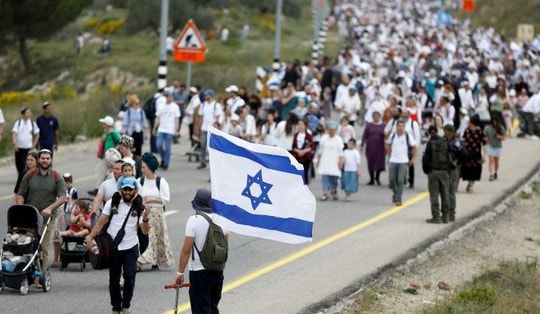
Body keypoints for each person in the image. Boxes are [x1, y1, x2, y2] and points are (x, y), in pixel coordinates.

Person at [86, 177, 150, 314]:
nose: (127, 192)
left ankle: (126, 305)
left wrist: (145, 219)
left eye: (130, 189)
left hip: (131, 246)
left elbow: (144, 231)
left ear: (135, 191)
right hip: (113, 246)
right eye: (125, 189)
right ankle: (116, 307)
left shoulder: (139, 207)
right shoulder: (112, 203)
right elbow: (100, 223)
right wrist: (90, 237)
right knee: (114, 278)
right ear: (120, 190)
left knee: (130, 275)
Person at [175, 188, 228, 314]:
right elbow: (224, 244)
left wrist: (180, 273)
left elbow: (186, 250)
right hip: (217, 270)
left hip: (199, 272)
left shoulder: (194, 220)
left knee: (201, 309)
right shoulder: (222, 219)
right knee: (213, 307)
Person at [16, 149, 66, 277]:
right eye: (42, 158)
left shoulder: (56, 176)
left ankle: (41, 275)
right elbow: (21, 193)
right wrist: (20, 208)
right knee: (27, 245)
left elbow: (62, 198)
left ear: (51, 160)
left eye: (47, 158)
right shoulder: (30, 174)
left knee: (44, 246)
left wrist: (50, 208)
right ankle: (26, 271)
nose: (45, 160)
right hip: (30, 216)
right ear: (38, 160)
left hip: (48, 218)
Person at [137, 152, 174, 271]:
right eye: (141, 167)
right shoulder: (140, 181)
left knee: (156, 238)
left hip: (157, 215)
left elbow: (165, 199)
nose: (142, 170)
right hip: (144, 213)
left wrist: (151, 199)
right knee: (149, 237)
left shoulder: (161, 182)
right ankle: (142, 260)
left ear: (150, 167)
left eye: (144, 167)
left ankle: (149, 261)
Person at [422, 125, 451, 223]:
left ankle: (436, 217)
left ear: (429, 133)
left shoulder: (430, 143)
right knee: (445, 194)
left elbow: (426, 159)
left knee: (434, 195)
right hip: (444, 172)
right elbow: (450, 156)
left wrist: (427, 171)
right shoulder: (445, 142)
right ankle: (446, 217)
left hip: (433, 172)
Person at [386, 120, 417, 206]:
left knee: (400, 180)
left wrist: (413, 159)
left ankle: (399, 199)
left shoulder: (408, 136)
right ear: (396, 127)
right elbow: (388, 145)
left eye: (402, 126)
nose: (401, 128)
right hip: (393, 160)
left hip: (403, 161)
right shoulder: (392, 135)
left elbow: (414, 147)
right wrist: (389, 155)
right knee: (391, 180)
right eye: (399, 126)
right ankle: (396, 193)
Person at [52, 172, 79, 267]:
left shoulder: (73, 191)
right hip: (59, 215)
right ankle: (56, 258)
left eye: (69, 182)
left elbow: (75, 203)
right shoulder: (58, 191)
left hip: (68, 214)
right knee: (56, 237)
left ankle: (63, 256)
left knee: (65, 237)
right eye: (65, 182)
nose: (67, 184)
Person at [89, 116, 121, 196]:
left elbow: (119, 142)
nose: (102, 124)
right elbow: (102, 141)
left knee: (111, 172)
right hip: (105, 156)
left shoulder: (114, 133)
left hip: (111, 157)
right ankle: (97, 189)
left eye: (104, 123)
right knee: (102, 172)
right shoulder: (106, 132)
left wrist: (114, 151)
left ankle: (110, 188)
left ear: (107, 124)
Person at [444, 124, 468, 222]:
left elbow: (465, 154)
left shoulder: (456, 142)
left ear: (451, 132)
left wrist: (456, 162)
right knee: (445, 192)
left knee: (450, 192)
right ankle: (445, 213)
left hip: (453, 170)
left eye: (446, 131)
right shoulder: (444, 140)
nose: (444, 132)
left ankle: (451, 214)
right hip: (444, 169)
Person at [196, 89, 224, 170]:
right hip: (204, 127)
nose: (205, 96)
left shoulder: (216, 105)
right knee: (203, 145)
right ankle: (202, 162)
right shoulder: (203, 105)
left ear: (210, 95)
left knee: (210, 147)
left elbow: (219, 116)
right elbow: (201, 117)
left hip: (212, 129)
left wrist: (217, 125)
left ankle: (212, 163)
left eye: (207, 95)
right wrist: (198, 128)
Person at [153, 91, 180, 170]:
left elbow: (176, 118)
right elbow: (157, 118)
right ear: (166, 97)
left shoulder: (175, 106)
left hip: (170, 130)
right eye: (169, 97)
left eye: (172, 97)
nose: (170, 99)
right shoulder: (161, 106)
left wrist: (177, 129)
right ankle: (163, 158)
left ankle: (166, 163)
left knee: (168, 147)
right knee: (159, 145)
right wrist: (155, 128)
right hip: (161, 128)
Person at [317, 122, 344, 201]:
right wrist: (318, 161)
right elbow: (320, 150)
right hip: (325, 160)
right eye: (330, 130)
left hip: (335, 161)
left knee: (334, 178)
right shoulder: (324, 138)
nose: (331, 132)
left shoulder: (338, 139)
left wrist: (340, 161)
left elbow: (341, 152)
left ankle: (334, 190)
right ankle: (325, 193)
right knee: (325, 177)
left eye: (333, 130)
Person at [461, 115, 487, 193]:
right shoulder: (467, 130)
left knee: (475, 169)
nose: (468, 123)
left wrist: (483, 155)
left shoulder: (480, 131)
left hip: (476, 153)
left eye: (470, 121)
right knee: (467, 169)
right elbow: (464, 140)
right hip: (467, 153)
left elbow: (484, 143)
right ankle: (469, 182)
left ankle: (472, 184)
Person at [12, 107, 40, 177]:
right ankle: (21, 175)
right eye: (27, 112)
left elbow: (37, 134)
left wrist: (34, 144)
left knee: (27, 162)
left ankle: (26, 176)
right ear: (23, 114)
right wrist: (15, 144)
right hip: (19, 147)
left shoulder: (32, 123)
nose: (29, 114)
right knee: (18, 163)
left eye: (29, 112)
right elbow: (14, 133)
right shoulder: (18, 123)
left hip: (28, 147)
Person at [361, 111, 386, 185]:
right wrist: (362, 144)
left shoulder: (383, 126)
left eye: (377, 116)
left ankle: (377, 178)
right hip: (370, 146)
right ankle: (371, 179)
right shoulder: (369, 125)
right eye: (375, 116)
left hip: (380, 146)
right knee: (370, 161)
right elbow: (365, 135)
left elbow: (386, 135)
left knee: (379, 161)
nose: (376, 118)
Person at [291, 119, 315, 184]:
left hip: (306, 158)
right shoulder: (295, 135)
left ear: (305, 126)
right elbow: (293, 146)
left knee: (305, 173)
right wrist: (298, 151)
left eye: (301, 124)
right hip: (297, 157)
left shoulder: (308, 135)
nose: (300, 126)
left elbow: (312, 147)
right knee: (296, 173)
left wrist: (303, 151)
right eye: (299, 124)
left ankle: (305, 186)